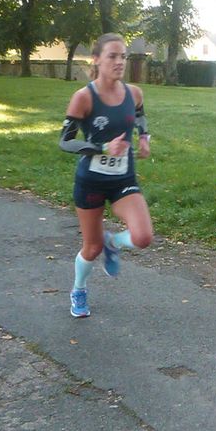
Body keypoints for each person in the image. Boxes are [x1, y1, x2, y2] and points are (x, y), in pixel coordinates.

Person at [58, 33, 153, 318]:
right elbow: (65, 140)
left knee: (143, 236)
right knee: (91, 246)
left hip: (124, 178)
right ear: (96, 59)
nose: (119, 61)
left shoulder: (134, 92)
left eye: (123, 56)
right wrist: (102, 147)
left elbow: (139, 114)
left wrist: (145, 137)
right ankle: (79, 289)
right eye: (112, 56)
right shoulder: (84, 97)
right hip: (91, 181)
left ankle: (115, 243)